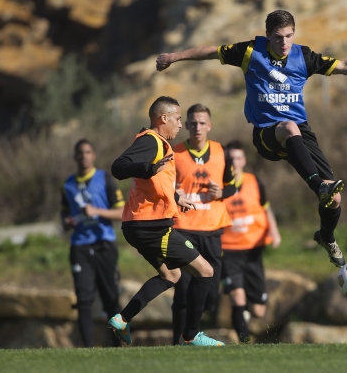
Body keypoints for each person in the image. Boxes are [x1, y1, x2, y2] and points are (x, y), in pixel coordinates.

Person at [155, 10, 347, 268]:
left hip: (299, 131)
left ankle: (326, 236)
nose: (284, 43)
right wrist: (174, 57)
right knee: (290, 130)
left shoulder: (304, 56)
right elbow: (210, 52)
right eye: (278, 37)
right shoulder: (251, 52)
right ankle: (319, 186)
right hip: (266, 132)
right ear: (267, 36)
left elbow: (346, 66)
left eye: (289, 36)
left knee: (334, 199)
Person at [108, 96, 225, 346]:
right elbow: (119, 167)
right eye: (178, 119)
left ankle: (123, 319)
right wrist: (149, 169)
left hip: (137, 225)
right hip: (151, 226)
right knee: (205, 271)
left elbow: (153, 182)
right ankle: (191, 336)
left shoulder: (157, 144)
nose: (180, 125)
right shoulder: (151, 141)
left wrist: (175, 197)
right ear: (164, 118)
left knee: (171, 276)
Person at [170, 103, 235, 345]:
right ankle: (179, 341)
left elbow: (233, 185)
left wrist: (223, 192)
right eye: (193, 123)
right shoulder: (174, 153)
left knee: (210, 295)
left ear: (210, 125)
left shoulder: (221, 151)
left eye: (202, 122)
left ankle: (192, 333)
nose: (197, 127)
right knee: (184, 291)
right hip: (183, 227)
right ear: (186, 126)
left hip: (212, 229)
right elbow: (161, 186)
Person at [61, 139, 125, 348]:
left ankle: (119, 346)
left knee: (111, 299)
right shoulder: (68, 185)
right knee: (84, 299)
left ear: (94, 155)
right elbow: (63, 215)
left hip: (104, 244)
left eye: (88, 152)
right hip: (80, 246)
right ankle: (87, 350)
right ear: (75, 157)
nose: (84, 156)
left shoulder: (105, 179)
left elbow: (123, 212)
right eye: (80, 153)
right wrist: (67, 222)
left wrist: (97, 212)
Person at [221, 140, 281, 343]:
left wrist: (274, 231)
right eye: (230, 158)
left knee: (258, 310)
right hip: (228, 250)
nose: (234, 162)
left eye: (238, 158)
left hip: (254, 249)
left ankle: (245, 313)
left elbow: (265, 208)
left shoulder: (254, 182)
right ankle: (244, 343)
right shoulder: (219, 186)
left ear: (244, 160)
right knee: (237, 297)